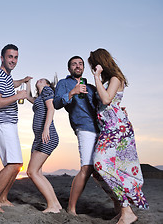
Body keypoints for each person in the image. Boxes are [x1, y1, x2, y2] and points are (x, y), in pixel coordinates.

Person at [88, 48, 148, 224]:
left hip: (117, 129)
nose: (93, 67)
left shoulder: (115, 78)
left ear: (101, 62)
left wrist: (96, 77)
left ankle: (127, 211)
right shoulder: (107, 80)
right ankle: (123, 209)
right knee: (97, 173)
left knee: (100, 163)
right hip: (108, 129)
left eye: (94, 63)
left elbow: (106, 100)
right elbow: (107, 104)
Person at [53, 56, 99, 215]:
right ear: (69, 68)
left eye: (80, 64)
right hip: (83, 127)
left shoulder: (91, 86)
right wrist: (72, 92)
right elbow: (56, 103)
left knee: (103, 169)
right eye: (74, 64)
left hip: (101, 128)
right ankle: (71, 208)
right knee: (86, 167)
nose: (78, 66)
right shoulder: (64, 84)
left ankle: (117, 206)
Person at [0, 44, 32, 212]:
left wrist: (22, 81)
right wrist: (17, 96)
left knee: (16, 164)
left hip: (9, 124)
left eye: (15, 57)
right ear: (2, 58)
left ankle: (3, 198)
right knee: (13, 165)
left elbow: (10, 83)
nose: (13, 60)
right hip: (2, 124)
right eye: (10, 57)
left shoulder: (6, 76)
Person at [25, 78, 62, 213]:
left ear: (47, 84)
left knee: (32, 171)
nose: (39, 79)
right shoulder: (39, 98)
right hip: (38, 139)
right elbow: (28, 97)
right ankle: (56, 204)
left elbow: (51, 108)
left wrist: (46, 128)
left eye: (43, 79)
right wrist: (27, 83)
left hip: (47, 136)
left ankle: (52, 205)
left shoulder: (47, 91)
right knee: (38, 172)